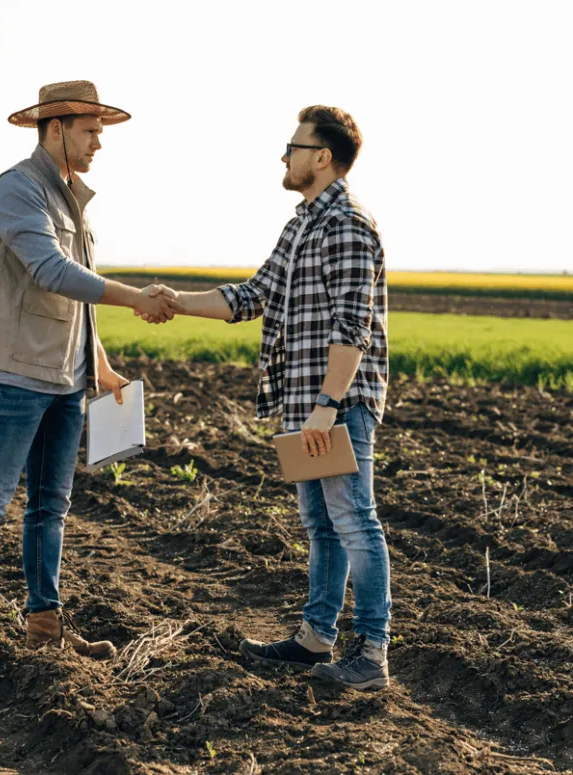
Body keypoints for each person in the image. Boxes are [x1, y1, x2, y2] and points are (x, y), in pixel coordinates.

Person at [0, 80, 182, 688]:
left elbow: (76, 297)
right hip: (16, 375)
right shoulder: (17, 189)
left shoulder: (72, 198)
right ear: (55, 128)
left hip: (66, 378)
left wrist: (99, 363)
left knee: (51, 508)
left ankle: (44, 624)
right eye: (91, 130)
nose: (100, 142)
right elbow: (50, 270)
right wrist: (135, 298)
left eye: (101, 131)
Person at [147, 106, 391, 690]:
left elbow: (352, 327)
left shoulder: (349, 224)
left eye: (293, 146)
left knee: (355, 520)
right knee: (322, 524)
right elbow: (252, 295)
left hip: (336, 404)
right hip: (302, 399)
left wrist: (328, 405)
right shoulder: (302, 222)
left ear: (322, 156)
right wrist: (174, 300)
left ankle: (373, 654)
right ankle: (315, 638)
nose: (284, 156)